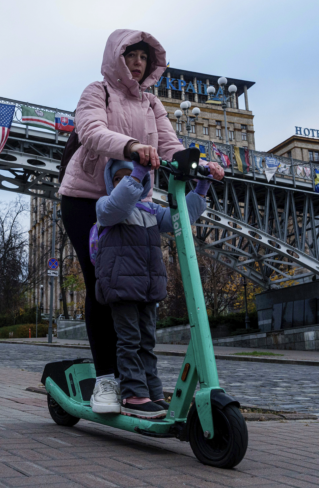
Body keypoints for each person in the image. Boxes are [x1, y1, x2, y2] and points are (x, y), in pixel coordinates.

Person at [58, 29, 224, 414]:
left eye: (143, 57)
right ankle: (105, 383)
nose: (137, 62)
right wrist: (132, 148)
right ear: (116, 57)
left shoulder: (152, 104)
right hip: (87, 200)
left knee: (138, 293)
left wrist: (199, 166)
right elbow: (91, 131)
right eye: (130, 54)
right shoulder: (95, 92)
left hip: (135, 200)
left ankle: (140, 384)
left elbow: (170, 146)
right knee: (103, 284)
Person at [94, 158, 210, 418]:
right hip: (122, 287)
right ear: (109, 184)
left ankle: (153, 393)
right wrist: (137, 173)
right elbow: (118, 203)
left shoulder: (151, 211)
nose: (126, 181)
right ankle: (133, 393)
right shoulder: (106, 207)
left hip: (147, 288)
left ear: (145, 182)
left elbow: (180, 217)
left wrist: (201, 188)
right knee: (129, 341)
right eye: (118, 178)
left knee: (147, 342)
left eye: (132, 177)